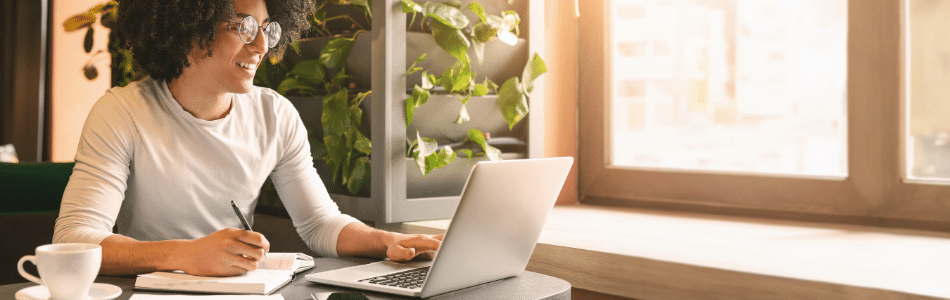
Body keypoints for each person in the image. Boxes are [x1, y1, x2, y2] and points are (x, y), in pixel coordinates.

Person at [53, 0, 442, 277]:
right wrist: (187, 255)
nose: (261, 47)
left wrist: (389, 241)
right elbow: (74, 239)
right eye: (244, 27)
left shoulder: (276, 115)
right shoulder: (122, 113)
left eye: (267, 29)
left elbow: (320, 223)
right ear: (192, 26)